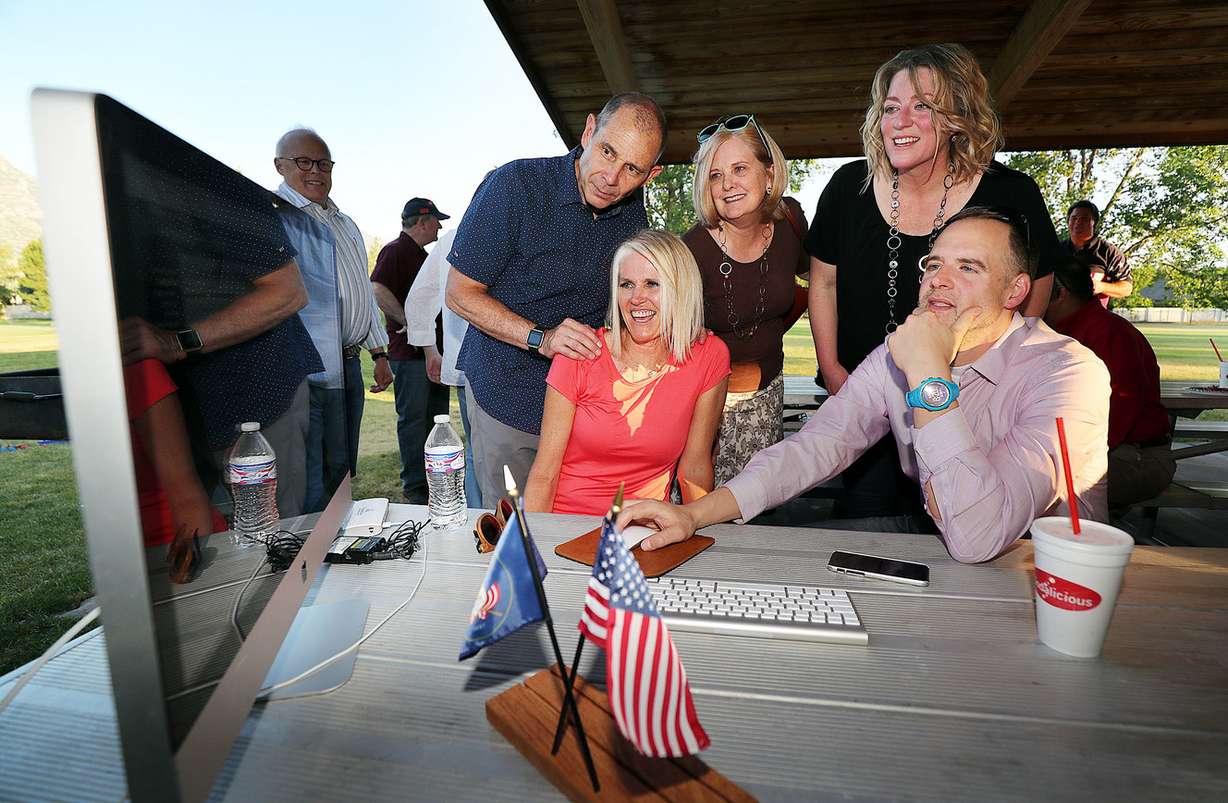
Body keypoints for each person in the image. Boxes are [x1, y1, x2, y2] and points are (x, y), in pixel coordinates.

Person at [618, 207, 1109, 565]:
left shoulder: (1067, 373)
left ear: (1015, 292)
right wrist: (697, 515)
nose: (939, 280)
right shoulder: (902, 352)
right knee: (778, 559)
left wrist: (929, 375)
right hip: (933, 536)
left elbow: (979, 534)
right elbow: (816, 446)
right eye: (934, 264)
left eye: (968, 268)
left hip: (1042, 570)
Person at [806, 42, 1061, 522]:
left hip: (965, 406)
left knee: (966, 527)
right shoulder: (847, 187)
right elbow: (822, 284)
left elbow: (1036, 289)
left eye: (922, 106)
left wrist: (999, 378)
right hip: (863, 401)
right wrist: (835, 372)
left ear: (956, 117)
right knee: (866, 530)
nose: (901, 121)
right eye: (891, 108)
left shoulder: (1011, 194)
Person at [446, 93, 666, 506]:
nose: (611, 177)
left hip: (583, 405)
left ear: (650, 175)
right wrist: (540, 339)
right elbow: (460, 294)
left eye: (631, 169)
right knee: (513, 531)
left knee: (571, 529)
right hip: (507, 392)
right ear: (588, 131)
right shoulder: (516, 186)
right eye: (606, 151)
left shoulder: (634, 215)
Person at [524, 230, 729, 514]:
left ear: (681, 289)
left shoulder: (709, 356)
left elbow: (694, 468)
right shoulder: (579, 353)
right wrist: (536, 546)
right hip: (568, 526)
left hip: (644, 529)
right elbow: (545, 473)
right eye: (626, 284)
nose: (636, 298)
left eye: (652, 284)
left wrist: (695, 532)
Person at [682, 115, 809, 485]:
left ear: (769, 174)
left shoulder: (791, 221)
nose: (727, 185)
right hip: (707, 405)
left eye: (739, 168)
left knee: (760, 509)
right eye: (715, 175)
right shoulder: (692, 250)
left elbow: (813, 283)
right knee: (703, 512)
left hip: (769, 394)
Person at [273, 128, 392, 510]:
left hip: (348, 361)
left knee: (340, 468)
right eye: (303, 162)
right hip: (303, 367)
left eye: (323, 163)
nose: (315, 171)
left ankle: (336, 545)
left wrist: (379, 352)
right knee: (308, 473)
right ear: (280, 166)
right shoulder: (275, 218)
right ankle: (309, 554)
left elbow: (363, 287)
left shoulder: (345, 223)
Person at [1044, 257, 1173, 508]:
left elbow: (1121, 410)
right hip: (1109, 451)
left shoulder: (1107, 332)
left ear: (1060, 293)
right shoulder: (1065, 331)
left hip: (1135, 456)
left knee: (1039, 490)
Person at [371, 198, 452, 504]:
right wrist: (408, 320)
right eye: (436, 221)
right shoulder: (396, 250)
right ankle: (415, 487)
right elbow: (377, 288)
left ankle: (435, 480)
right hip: (410, 356)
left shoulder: (421, 255)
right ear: (421, 222)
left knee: (437, 421)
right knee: (415, 421)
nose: (439, 227)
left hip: (433, 355)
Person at [404, 227, 482, 506]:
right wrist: (429, 349)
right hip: (474, 363)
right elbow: (421, 297)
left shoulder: (453, 236)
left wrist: (430, 350)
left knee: (477, 448)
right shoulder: (457, 237)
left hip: (468, 361)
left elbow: (420, 297)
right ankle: (482, 516)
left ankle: (480, 515)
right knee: (478, 448)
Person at [1062, 200, 1132, 308]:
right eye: (1074, 218)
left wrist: (1100, 286)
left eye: (1085, 219)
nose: (1078, 222)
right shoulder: (1056, 250)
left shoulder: (1108, 251)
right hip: (1057, 319)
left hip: (1092, 319)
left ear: (1094, 223)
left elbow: (1126, 288)